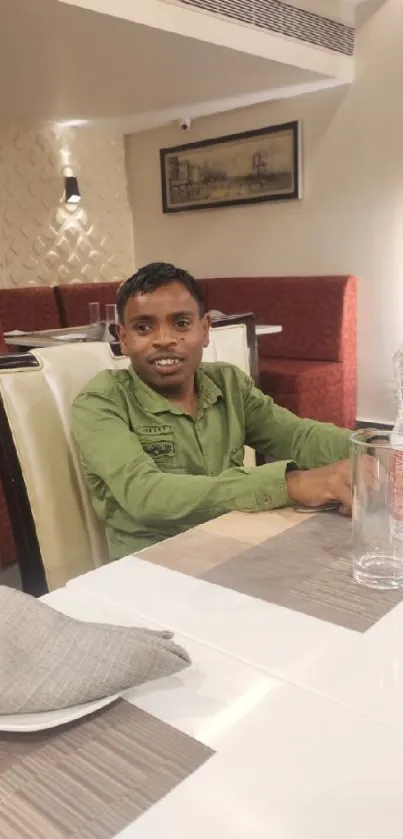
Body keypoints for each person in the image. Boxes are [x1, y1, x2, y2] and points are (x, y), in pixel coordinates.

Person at [72, 262, 353, 561]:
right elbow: (145, 494)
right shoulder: (101, 401)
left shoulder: (228, 383)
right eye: (143, 327)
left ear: (205, 330)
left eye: (181, 323)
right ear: (124, 338)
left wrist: (375, 451)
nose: (164, 339)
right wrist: (291, 483)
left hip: (235, 544)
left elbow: (297, 435)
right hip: (152, 568)